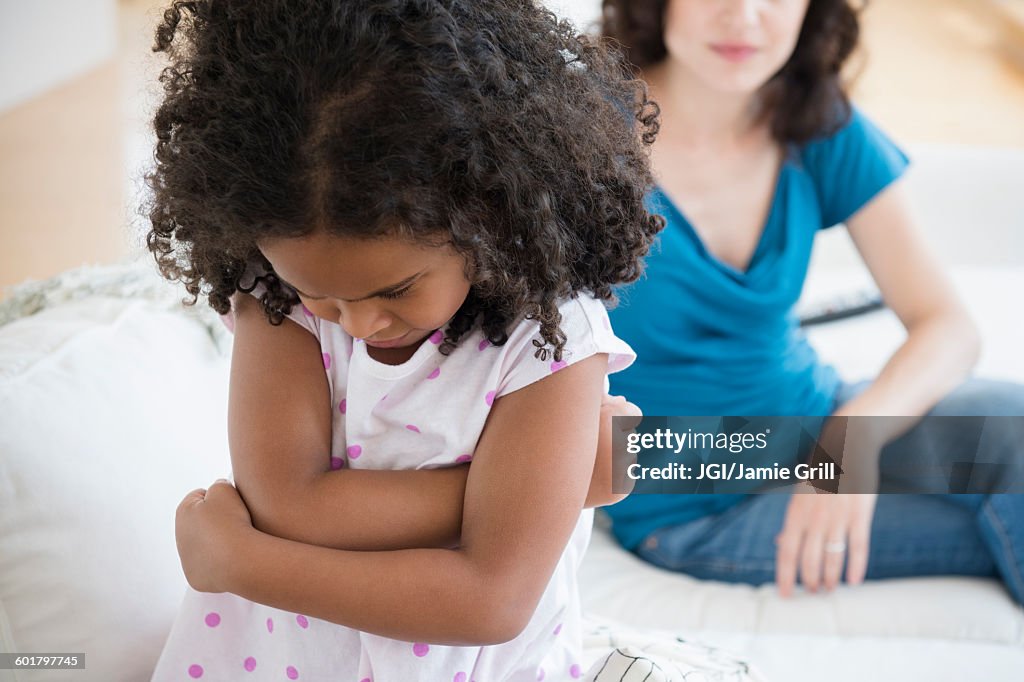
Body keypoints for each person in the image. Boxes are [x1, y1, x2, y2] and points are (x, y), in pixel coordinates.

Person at [144, 1, 664, 680]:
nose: (355, 324)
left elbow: (494, 597)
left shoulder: (551, 334)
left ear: (488, 215)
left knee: (826, 459)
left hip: (486, 658)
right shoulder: (272, 291)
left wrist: (240, 563)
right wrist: (548, 489)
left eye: (393, 291)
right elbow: (286, 503)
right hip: (279, 662)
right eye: (321, 294)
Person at [600, 0, 1024, 604]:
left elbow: (946, 324)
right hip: (692, 495)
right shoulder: (579, 132)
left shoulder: (814, 121)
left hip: (817, 420)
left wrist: (853, 438)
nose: (745, 15)